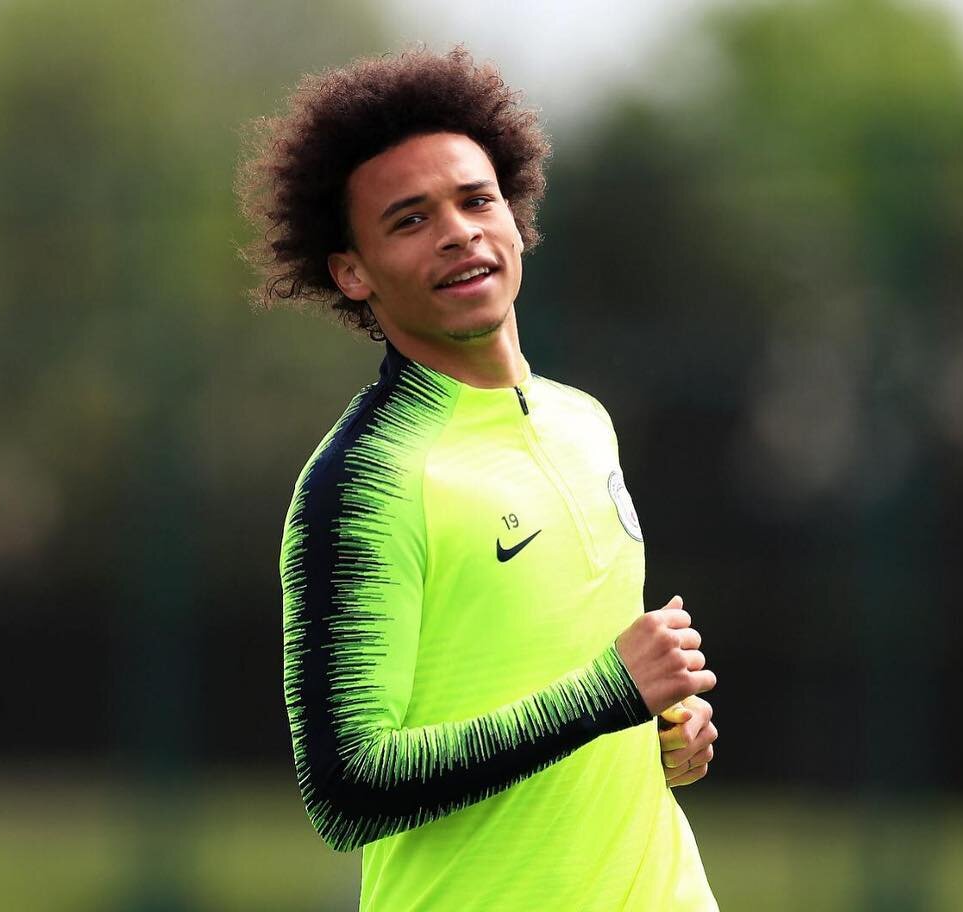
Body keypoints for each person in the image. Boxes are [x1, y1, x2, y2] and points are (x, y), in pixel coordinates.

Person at [237, 46, 720, 911]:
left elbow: (577, 689)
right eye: (410, 220)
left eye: (476, 199)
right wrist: (607, 696)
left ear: (515, 216)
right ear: (352, 271)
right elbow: (346, 789)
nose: (459, 231)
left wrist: (660, 733)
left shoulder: (584, 422)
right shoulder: (364, 480)